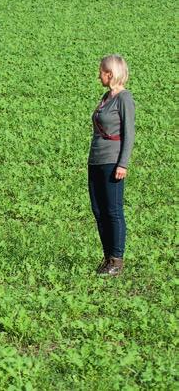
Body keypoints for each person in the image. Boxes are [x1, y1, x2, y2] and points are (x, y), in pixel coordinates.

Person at [88, 55, 135, 276]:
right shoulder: (106, 97)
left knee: (113, 211)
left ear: (110, 73)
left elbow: (129, 133)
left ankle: (116, 260)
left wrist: (122, 164)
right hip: (96, 160)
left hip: (112, 162)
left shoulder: (124, 98)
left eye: (101, 71)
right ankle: (107, 258)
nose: (99, 74)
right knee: (98, 210)